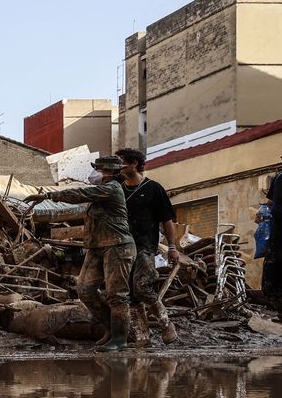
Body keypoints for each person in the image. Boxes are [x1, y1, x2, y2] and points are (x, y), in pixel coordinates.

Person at [26, 155, 137, 351]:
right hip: (96, 248)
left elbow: (80, 193)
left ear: (110, 172)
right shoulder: (101, 194)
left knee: (117, 294)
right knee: (85, 289)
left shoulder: (112, 188)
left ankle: (120, 338)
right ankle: (110, 329)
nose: (95, 173)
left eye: (99, 169)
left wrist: (48, 196)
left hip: (118, 246)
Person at [115, 148, 181, 345]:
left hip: (145, 246)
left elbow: (167, 220)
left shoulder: (153, 188)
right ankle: (143, 336)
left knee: (142, 287)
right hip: (122, 248)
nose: (119, 168)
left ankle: (166, 324)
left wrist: (172, 247)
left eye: (121, 163)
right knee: (129, 293)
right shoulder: (117, 189)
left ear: (134, 163)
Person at [262, 142, 282, 314]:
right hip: (279, 242)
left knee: (270, 288)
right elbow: (269, 203)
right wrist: (263, 213)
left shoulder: (281, 178)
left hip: (280, 244)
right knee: (271, 288)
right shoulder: (280, 178)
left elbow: (273, 207)